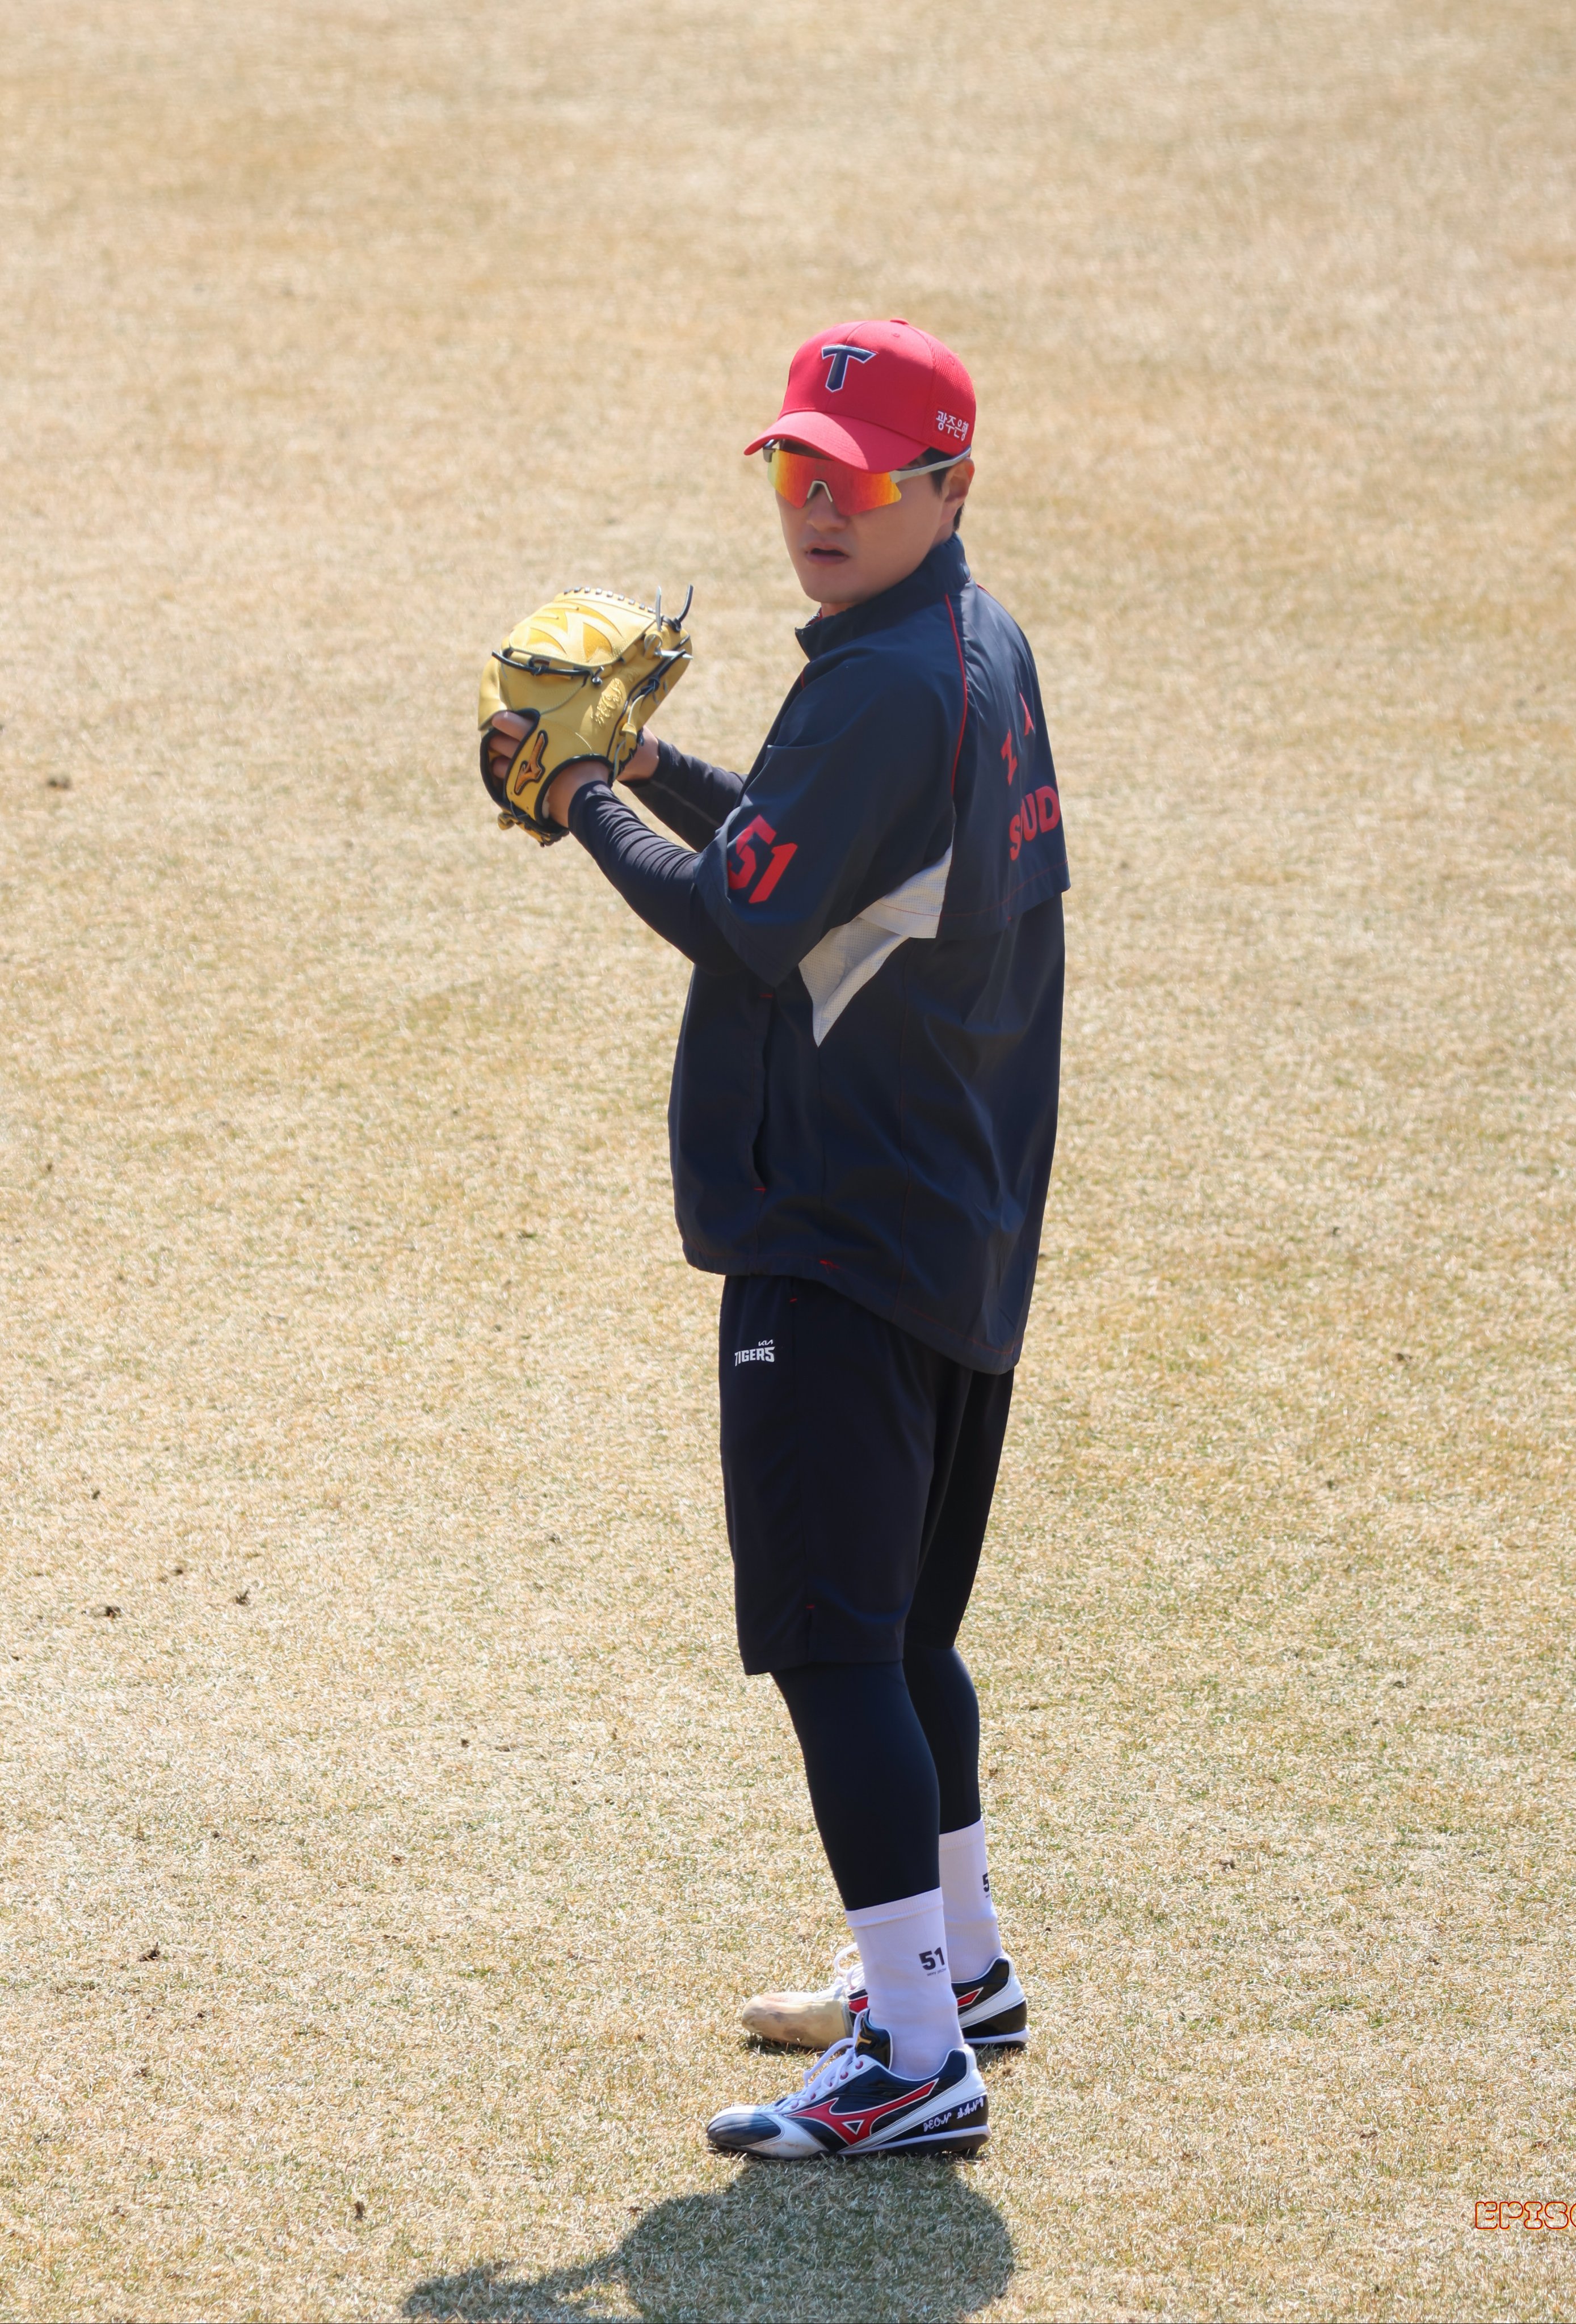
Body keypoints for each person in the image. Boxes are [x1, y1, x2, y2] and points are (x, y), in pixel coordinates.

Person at [485, 318, 1069, 2159]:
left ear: (950, 486)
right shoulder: (965, 647)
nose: (821, 507)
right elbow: (801, 867)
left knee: (834, 1649)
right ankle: (959, 1970)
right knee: (905, 1638)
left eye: (863, 481)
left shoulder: (880, 685)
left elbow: (742, 930)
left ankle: (915, 2060)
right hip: (950, 1219)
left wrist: (575, 794)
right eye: (797, 471)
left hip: (842, 1234)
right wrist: (654, 767)